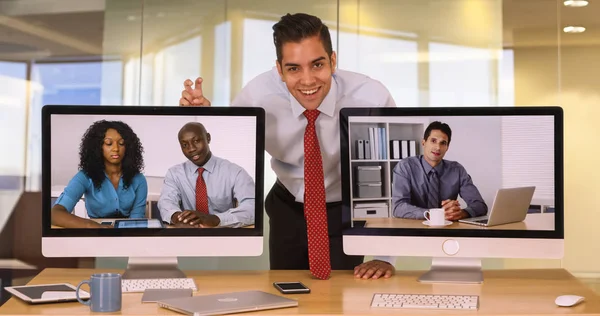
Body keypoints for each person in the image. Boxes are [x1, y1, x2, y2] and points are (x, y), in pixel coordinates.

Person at [180, 13, 396, 279]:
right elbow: (229, 145)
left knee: (342, 296)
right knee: (288, 291)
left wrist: (383, 256)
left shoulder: (371, 98)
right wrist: (204, 116)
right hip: (287, 206)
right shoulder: (258, 96)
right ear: (279, 69)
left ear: (333, 61)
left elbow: (393, 178)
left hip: (347, 209)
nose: (308, 81)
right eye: (294, 68)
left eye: (317, 65)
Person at [51, 120, 148, 228]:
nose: (116, 149)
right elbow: (55, 214)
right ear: (98, 147)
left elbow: (136, 222)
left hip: (126, 235)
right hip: (95, 234)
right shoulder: (85, 177)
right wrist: (92, 226)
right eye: (108, 143)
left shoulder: (139, 180)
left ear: (128, 147)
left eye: (121, 143)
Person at [157, 122, 255, 228]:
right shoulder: (174, 174)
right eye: (185, 145)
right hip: (188, 234)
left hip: (223, 235)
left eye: (196, 141)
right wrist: (178, 218)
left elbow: (253, 207)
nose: (191, 149)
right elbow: (166, 202)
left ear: (208, 138)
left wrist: (216, 219)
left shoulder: (234, 172)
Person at [392, 121, 488, 220]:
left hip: (447, 228)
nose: (438, 147)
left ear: (447, 147)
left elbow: (480, 206)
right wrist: (432, 214)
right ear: (424, 142)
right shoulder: (405, 167)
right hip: (415, 229)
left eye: (443, 143)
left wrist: (460, 213)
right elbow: (398, 207)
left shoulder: (457, 170)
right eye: (433, 141)